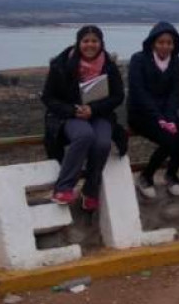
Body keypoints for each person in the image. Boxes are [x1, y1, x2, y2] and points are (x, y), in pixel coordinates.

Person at [41, 25, 128, 211]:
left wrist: (93, 109)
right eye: (86, 41)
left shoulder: (109, 66)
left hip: (98, 114)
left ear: (101, 43)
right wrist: (73, 110)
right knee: (85, 136)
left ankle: (90, 190)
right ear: (79, 43)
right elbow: (47, 97)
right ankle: (63, 188)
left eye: (94, 41)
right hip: (67, 115)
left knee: (103, 143)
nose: (90, 45)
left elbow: (118, 96)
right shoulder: (61, 64)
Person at [128, 22, 179, 198]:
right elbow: (138, 91)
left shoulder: (176, 61)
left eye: (169, 43)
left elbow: (175, 92)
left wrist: (169, 117)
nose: (165, 46)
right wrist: (158, 118)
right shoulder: (139, 59)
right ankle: (146, 176)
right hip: (142, 114)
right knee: (169, 141)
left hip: (166, 113)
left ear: (174, 44)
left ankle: (171, 174)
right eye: (161, 42)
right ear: (153, 42)